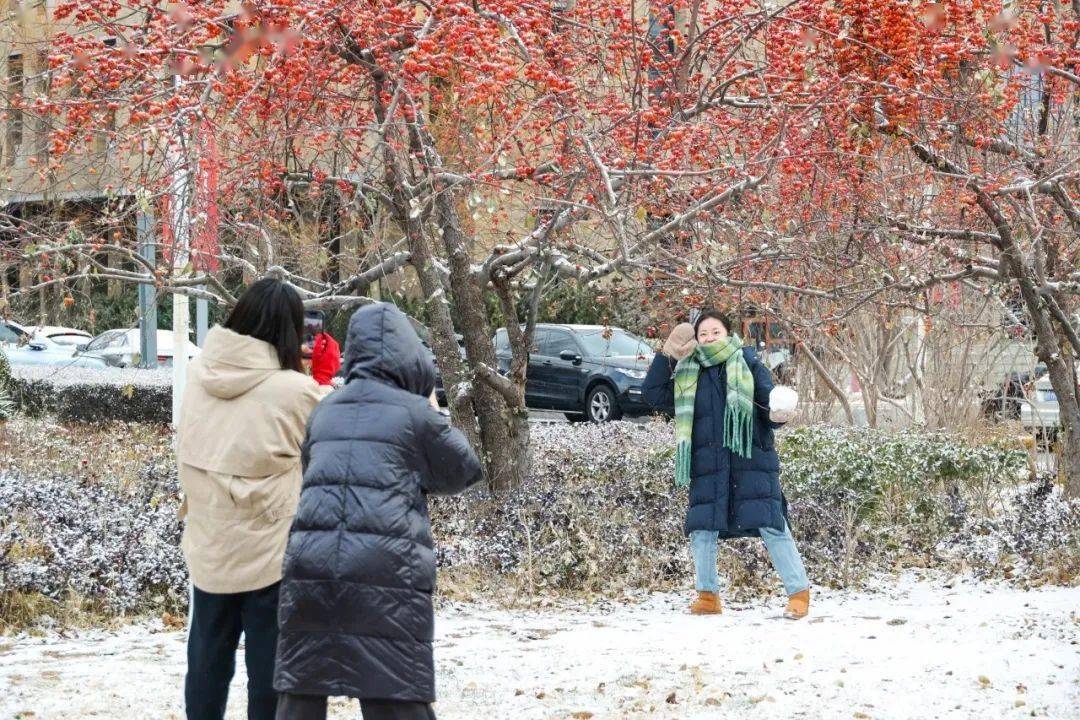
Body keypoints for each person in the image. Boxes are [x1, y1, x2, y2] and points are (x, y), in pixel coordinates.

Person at [274, 302, 483, 720]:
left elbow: (312, 468)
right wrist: (430, 409)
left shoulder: (325, 409)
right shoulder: (415, 414)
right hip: (385, 570)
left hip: (311, 567)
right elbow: (464, 469)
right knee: (394, 692)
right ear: (410, 355)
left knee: (302, 694)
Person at [177, 278, 329, 720]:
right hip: (270, 554)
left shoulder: (198, 375)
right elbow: (324, 450)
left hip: (208, 543)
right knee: (268, 674)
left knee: (206, 662)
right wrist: (319, 377)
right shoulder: (295, 391)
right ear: (289, 330)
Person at [642, 308, 810, 619]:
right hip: (708, 464)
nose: (709, 338)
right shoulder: (689, 371)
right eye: (703, 333)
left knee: (772, 524)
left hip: (751, 459)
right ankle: (708, 597)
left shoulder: (747, 362)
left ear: (728, 333)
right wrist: (668, 356)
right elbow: (652, 395)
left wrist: (779, 414)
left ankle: (798, 593)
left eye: (715, 332)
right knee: (702, 529)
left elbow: (767, 406)